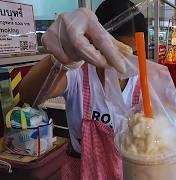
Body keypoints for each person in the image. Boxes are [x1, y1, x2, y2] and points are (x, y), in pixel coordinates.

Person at [20, 0, 149, 179]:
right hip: (80, 171)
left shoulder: (144, 83)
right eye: (117, 51)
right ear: (96, 43)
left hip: (127, 172)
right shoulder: (78, 74)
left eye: (133, 54)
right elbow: (29, 96)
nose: (124, 63)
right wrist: (60, 59)